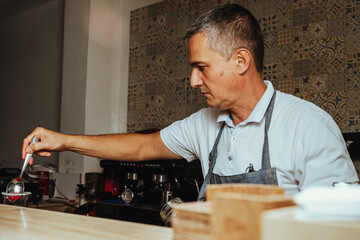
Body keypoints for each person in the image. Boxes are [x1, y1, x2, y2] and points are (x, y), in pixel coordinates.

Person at [22, 4, 358, 200]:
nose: (195, 81)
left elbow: (339, 226)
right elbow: (141, 147)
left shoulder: (307, 125)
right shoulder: (204, 123)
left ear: (241, 61)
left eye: (202, 67)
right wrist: (64, 141)